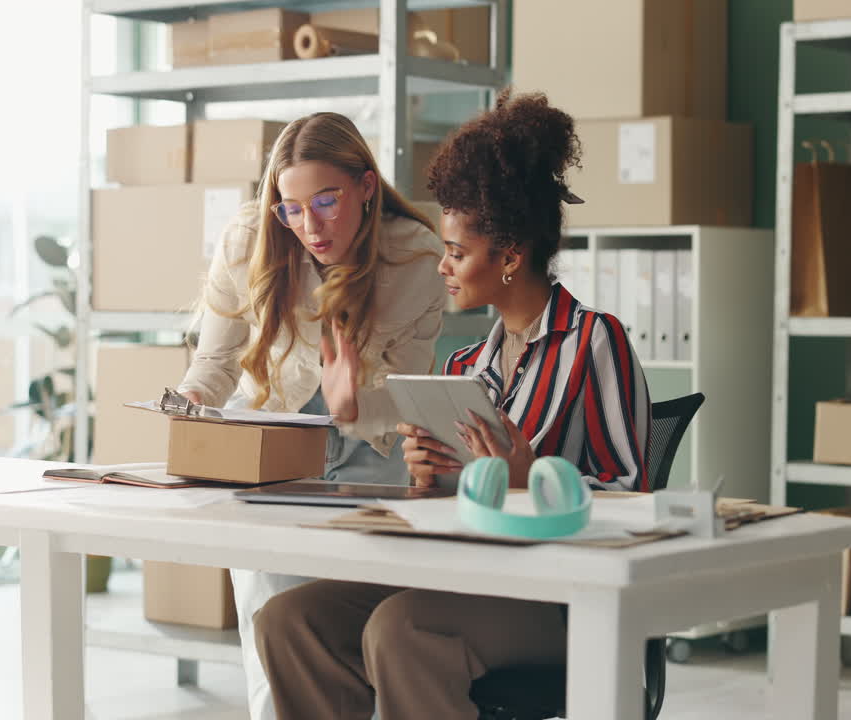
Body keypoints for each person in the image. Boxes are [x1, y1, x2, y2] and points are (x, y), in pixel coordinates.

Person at [253, 90, 652, 720]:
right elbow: (458, 501)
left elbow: (636, 498)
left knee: (402, 630)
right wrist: (430, 477)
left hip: (563, 597)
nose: (442, 267)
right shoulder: (465, 368)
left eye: (458, 253)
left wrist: (531, 482)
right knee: (290, 619)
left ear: (511, 255)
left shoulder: (594, 341)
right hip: (469, 576)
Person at [174, 111, 447, 720]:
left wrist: (353, 403)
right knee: (271, 635)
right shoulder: (250, 238)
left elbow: (403, 404)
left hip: (371, 452)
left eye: (325, 201)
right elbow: (216, 362)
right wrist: (190, 403)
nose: (309, 226)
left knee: (362, 639)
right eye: (291, 208)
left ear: (366, 186)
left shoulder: (416, 259)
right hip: (271, 445)